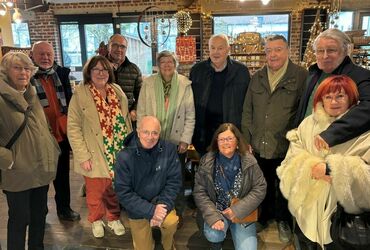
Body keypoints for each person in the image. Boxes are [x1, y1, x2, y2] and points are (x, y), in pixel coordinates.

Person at [277, 75, 370, 249]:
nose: (334, 101)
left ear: (351, 98)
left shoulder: (364, 131)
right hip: (307, 211)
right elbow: (289, 161)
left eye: (340, 96)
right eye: (328, 96)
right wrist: (311, 167)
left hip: (341, 220)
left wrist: (332, 171)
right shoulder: (307, 124)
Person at [241, 34, 308, 242]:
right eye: (269, 50)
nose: (273, 54)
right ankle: (266, 216)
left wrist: (298, 141)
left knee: (285, 186)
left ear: (287, 51)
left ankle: (284, 221)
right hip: (259, 143)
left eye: (278, 49)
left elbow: (304, 112)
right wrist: (246, 139)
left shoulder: (301, 76)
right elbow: (247, 110)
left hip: (286, 146)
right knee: (263, 183)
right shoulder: (258, 76)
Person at [0, 52, 60, 250]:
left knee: (39, 215)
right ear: (5, 71)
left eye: (27, 68)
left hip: (40, 168)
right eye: (17, 67)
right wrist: (9, 160)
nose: (23, 72)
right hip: (17, 171)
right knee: (19, 219)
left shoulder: (31, 93)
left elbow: (42, 128)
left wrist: (52, 147)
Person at [67, 55, 132, 238]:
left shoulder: (116, 90)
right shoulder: (81, 94)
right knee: (95, 190)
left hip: (118, 150)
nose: (100, 73)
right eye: (96, 69)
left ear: (109, 72)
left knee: (113, 188)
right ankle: (96, 219)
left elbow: (125, 119)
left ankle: (113, 217)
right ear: (89, 72)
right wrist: (82, 155)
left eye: (104, 69)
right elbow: (73, 127)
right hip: (94, 150)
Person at [136, 50, 195, 225]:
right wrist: (143, 136)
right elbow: (141, 112)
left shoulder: (184, 84)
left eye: (170, 61)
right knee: (152, 176)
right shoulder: (148, 83)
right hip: (153, 140)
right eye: (163, 62)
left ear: (175, 64)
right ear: (158, 65)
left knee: (176, 178)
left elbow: (190, 114)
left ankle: (177, 211)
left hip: (177, 142)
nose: (167, 65)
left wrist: (185, 139)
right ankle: (154, 210)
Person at [193, 123, 267, 250]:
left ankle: (234, 228)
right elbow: (199, 192)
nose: (225, 142)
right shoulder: (207, 161)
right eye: (221, 139)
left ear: (237, 141)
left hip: (242, 212)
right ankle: (216, 243)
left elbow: (260, 188)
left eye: (229, 139)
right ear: (216, 142)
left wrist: (236, 210)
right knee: (213, 234)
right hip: (218, 210)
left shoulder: (249, 161)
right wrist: (213, 217)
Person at [295, 28, 370, 151]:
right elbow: (305, 106)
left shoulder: (360, 76)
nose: (325, 56)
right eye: (320, 51)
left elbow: (367, 108)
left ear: (345, 51)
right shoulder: (313, 74)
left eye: (331, 50)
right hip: (306, 141)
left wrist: (331, 134)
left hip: (336, 146)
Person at [114, 116, 181, 250]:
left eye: (155, 133)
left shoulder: (169, 149)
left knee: (171, 222)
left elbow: (174, 181)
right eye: (146, 132)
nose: (150, 137)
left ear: (159, 134)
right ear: (138, 132)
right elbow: (123, 193)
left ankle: (168, 244)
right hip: (137, 209)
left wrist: (162, 206)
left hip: (161, 204)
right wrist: (151, 211)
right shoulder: (124, 156)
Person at [30, 41, 80, 221]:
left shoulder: (61, 74)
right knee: (40, 178)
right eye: (41, 54)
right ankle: (40, 212)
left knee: (62, 175)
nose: (45, 57)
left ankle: (64, 209)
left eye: (48, 54)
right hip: (38, 137)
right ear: (33, 55)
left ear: (54, 55)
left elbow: (70, 101)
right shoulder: (27, 75)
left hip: (61, 133)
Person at [189, 34, 250, 156]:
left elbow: (248, 105)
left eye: (220, 48)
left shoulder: (241, 72)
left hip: (231, 133)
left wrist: (245, 136)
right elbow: (190, 103)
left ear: (228, 50)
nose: (216, 52)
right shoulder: (197, 70)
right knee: (206, 171)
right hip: (204, 135)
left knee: (230, 171)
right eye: (213, 48)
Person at [107, 34, 142, 126]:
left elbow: (141, 95)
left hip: (127, 120)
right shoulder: (100, 68)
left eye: (122, 46)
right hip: (104, 119)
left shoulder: (134, 70)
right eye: (115, 45)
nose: (119, 49)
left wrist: (134, 109)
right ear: (108, 46)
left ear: (126, 49)